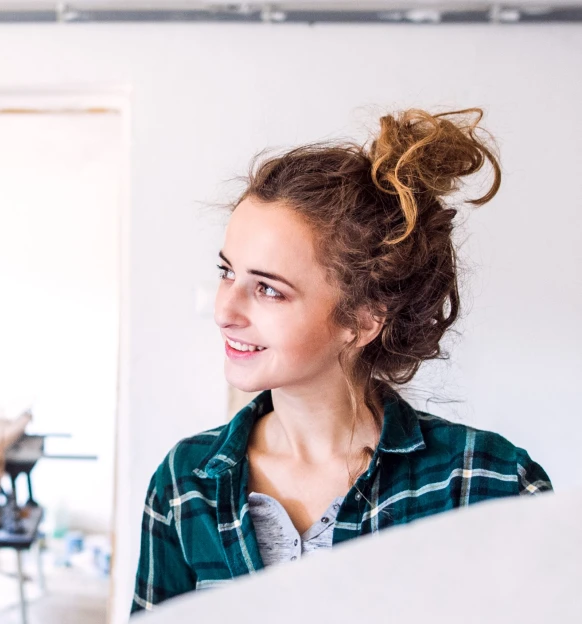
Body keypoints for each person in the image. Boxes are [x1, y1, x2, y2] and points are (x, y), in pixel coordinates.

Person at [132, 108, 552, 612]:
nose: (225, 310)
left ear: (362, 321)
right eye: (227, 272)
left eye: (268, 289)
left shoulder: (489, 484)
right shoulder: (185, 484)